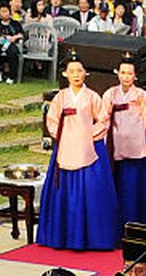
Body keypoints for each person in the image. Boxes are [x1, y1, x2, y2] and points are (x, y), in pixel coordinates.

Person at [36, 58, 120, 252]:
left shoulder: (92, 97)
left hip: (87, 148)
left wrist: (87, 134)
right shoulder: (60, 98)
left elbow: (103, 120)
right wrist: (63, 135)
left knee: (92, 191)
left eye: (79, 71)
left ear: (85, 74)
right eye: (71, 71)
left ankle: (93, 238)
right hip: (65, 146)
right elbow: (52, 120)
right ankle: (60, 237)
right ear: (65, 74)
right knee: (61, 192)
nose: (75, 75)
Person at [102, 59, 146, 227]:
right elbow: (104, 116)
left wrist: (133, 131)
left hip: (135, 141)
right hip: (114, 140)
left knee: (134, 183)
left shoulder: (142, 95)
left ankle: (135, 217)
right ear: (117, 73)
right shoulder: (110, 93)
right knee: (115, 179)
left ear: (135, 76)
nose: (126, 77)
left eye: (129, 73)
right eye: (123, 73)